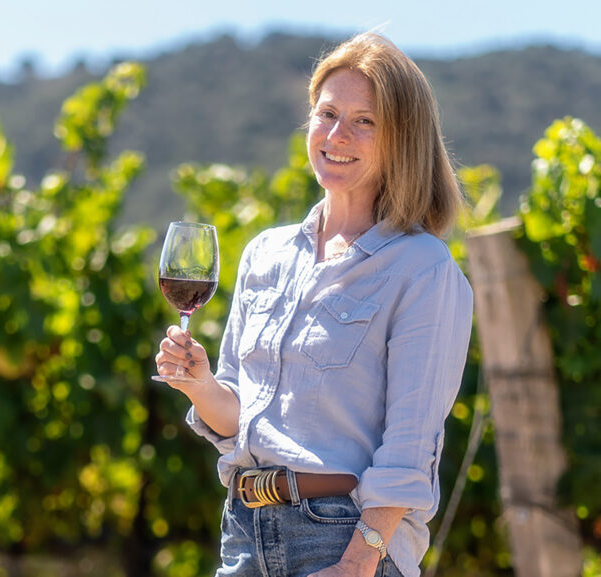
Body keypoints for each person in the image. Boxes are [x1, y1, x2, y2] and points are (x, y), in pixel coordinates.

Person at [154, 31, 474, 577]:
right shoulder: (264, 254)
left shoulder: (423, 268)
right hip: (244, 532)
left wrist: (357, 563)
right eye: (327, 114)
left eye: (364, 121)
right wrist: (200, 385)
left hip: (343, 541)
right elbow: (239, 422)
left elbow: (412, 444)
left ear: (402, 140)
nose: (337, 134)